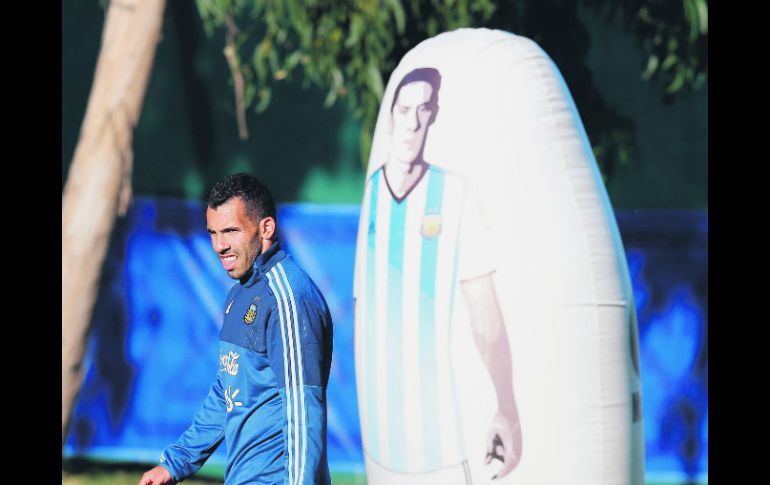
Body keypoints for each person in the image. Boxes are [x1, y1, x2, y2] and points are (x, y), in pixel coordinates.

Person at [354, 67, 522, 483]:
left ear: (434, 115)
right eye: (405, 109)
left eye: (423, 109)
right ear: (392, 113)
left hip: (436, 438)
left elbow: (486, 318)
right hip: (386, 440)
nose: (412, 122)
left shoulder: (453, 193)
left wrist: (506, 407)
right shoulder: (373, 195)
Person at [139, 173, 334, 485]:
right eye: (213, 233)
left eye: (230, 231)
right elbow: (227, 392)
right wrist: (175, 464)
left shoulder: (287, 298)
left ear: (266, 227)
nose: (219, 245)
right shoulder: (242, 292)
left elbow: (303, 410)